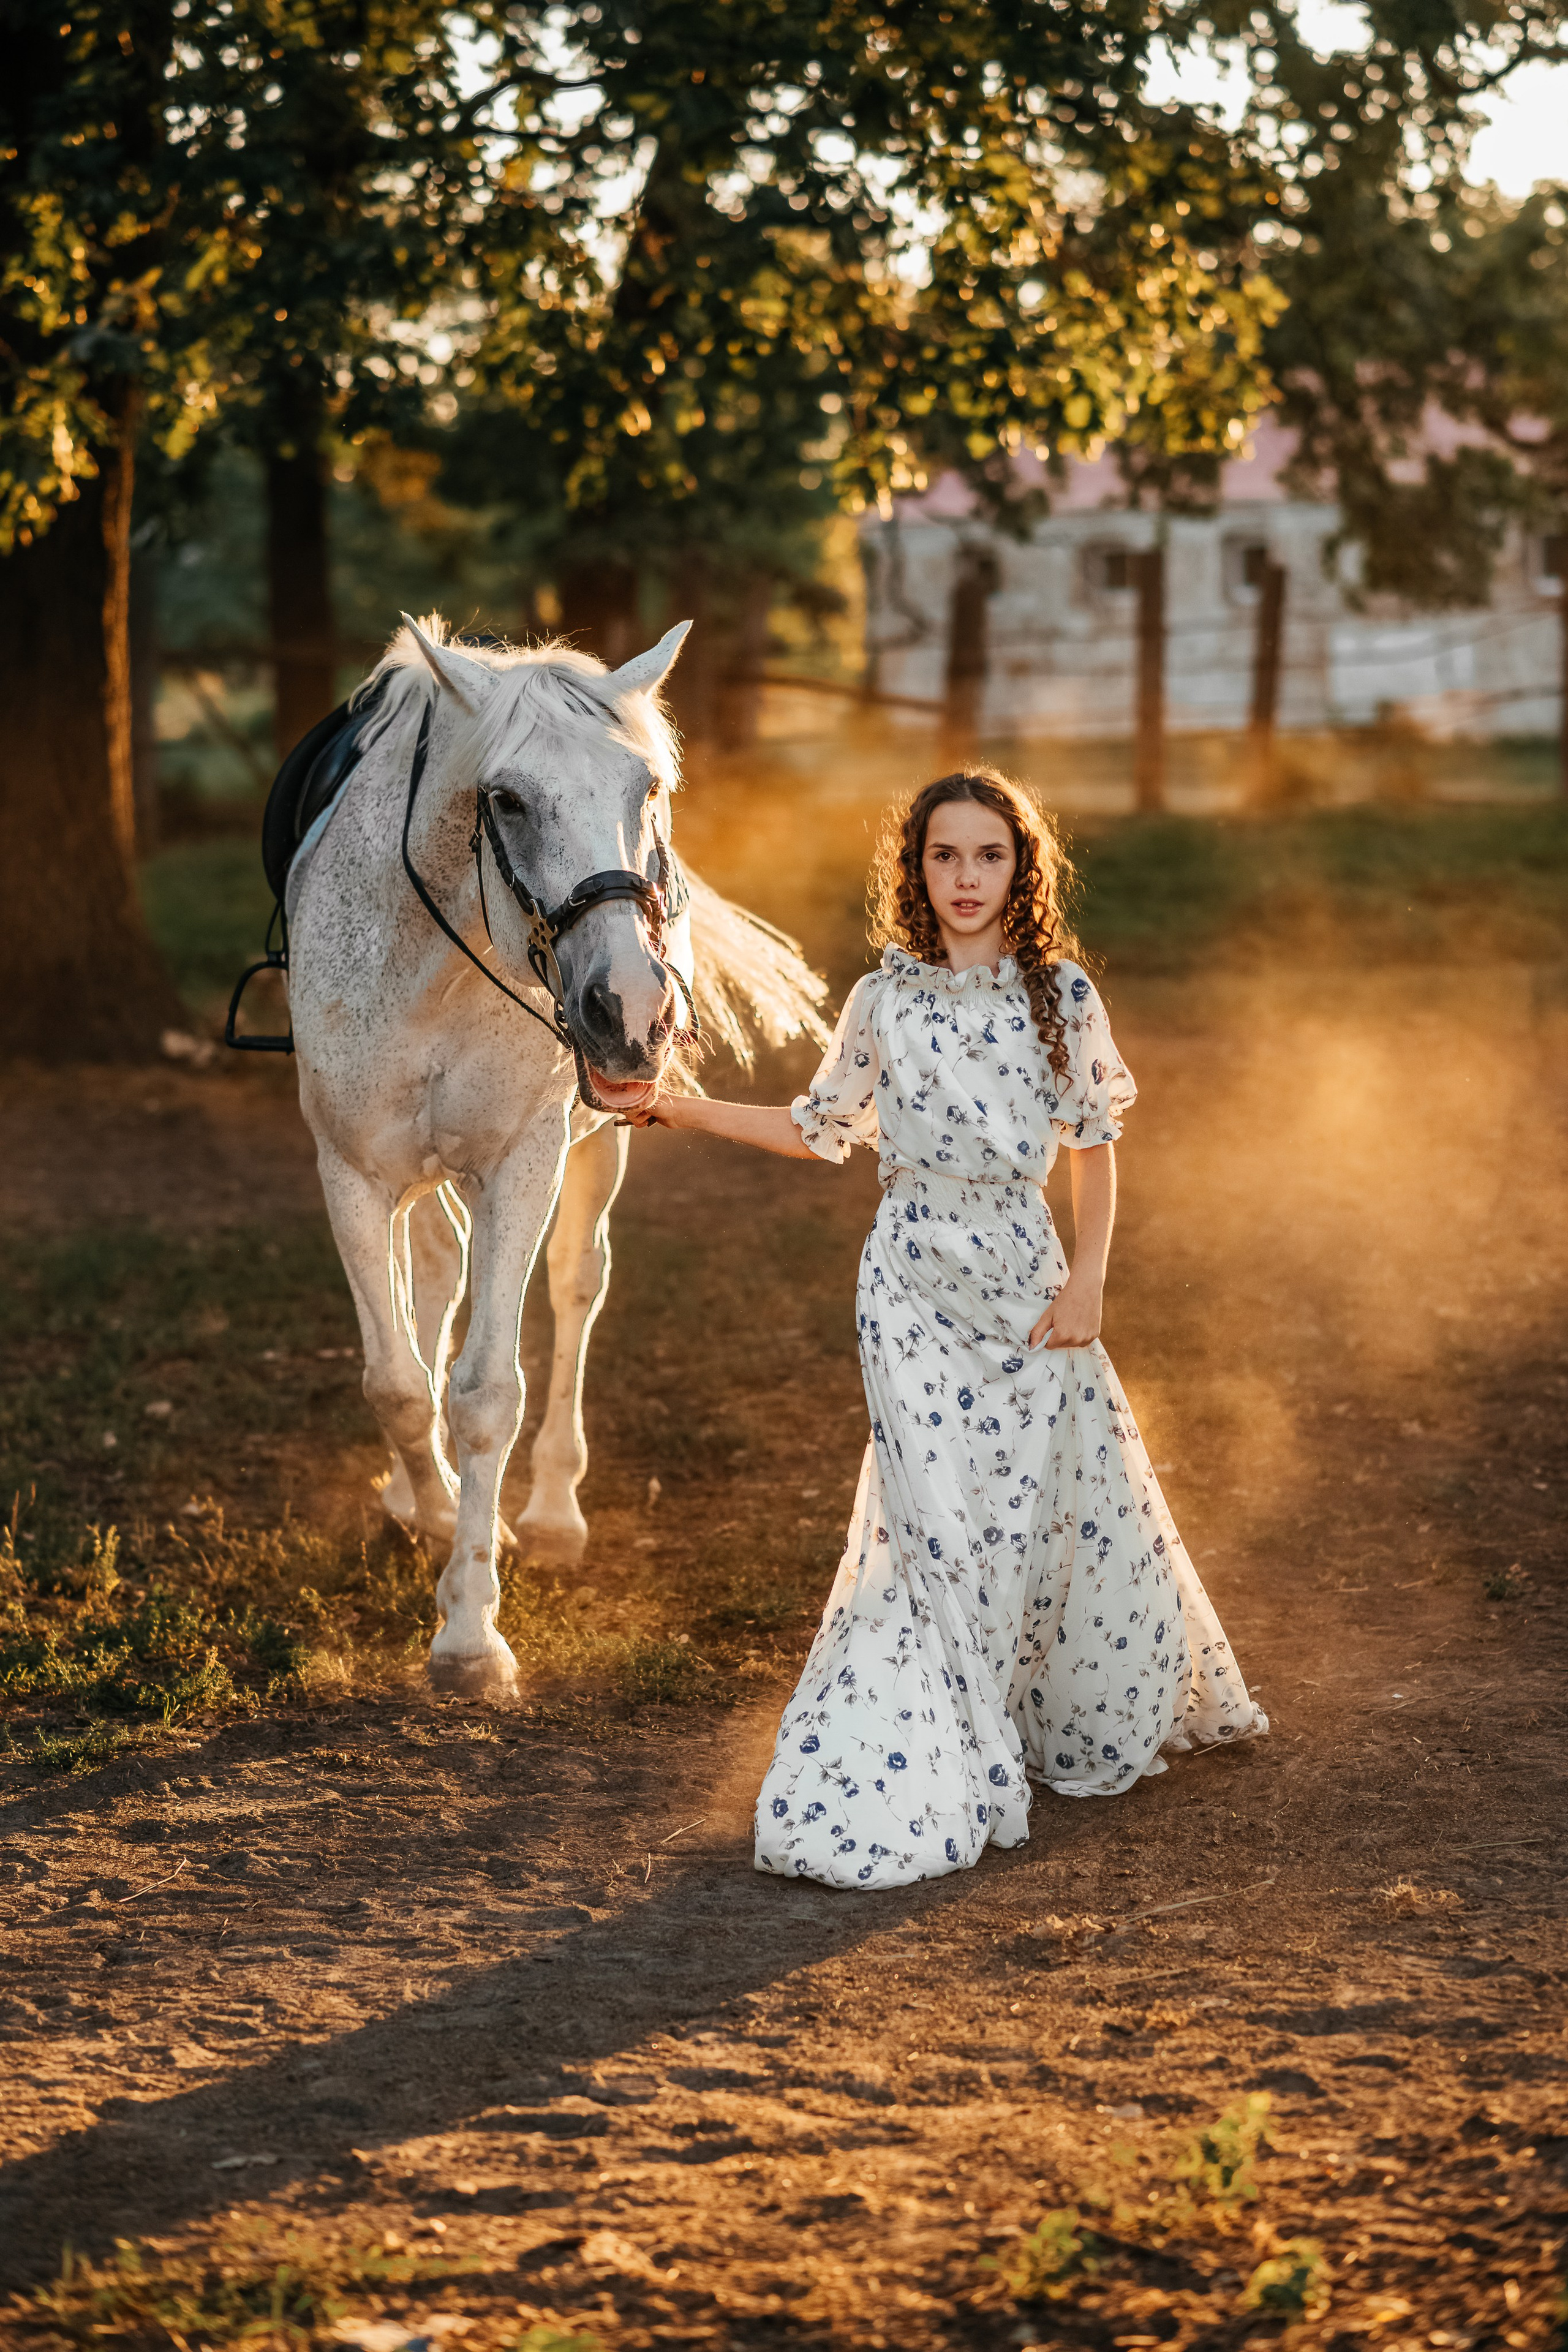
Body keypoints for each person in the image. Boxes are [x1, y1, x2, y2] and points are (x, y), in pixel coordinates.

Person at [628, 767, 1268, 1891]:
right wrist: (674, 1104)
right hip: (910, 1285)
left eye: (988, 856)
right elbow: (817, 1126)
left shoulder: (1060, 995)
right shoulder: (883, 1001)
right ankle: (952, 1745)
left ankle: (1025, 1706)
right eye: (943, 856)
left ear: (1022, 871)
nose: (965, 878)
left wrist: (1090, 1285)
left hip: (1027, 1286)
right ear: (914, 869)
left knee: (1027, 1509)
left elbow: (1092, 1148)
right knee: (931, 1520)